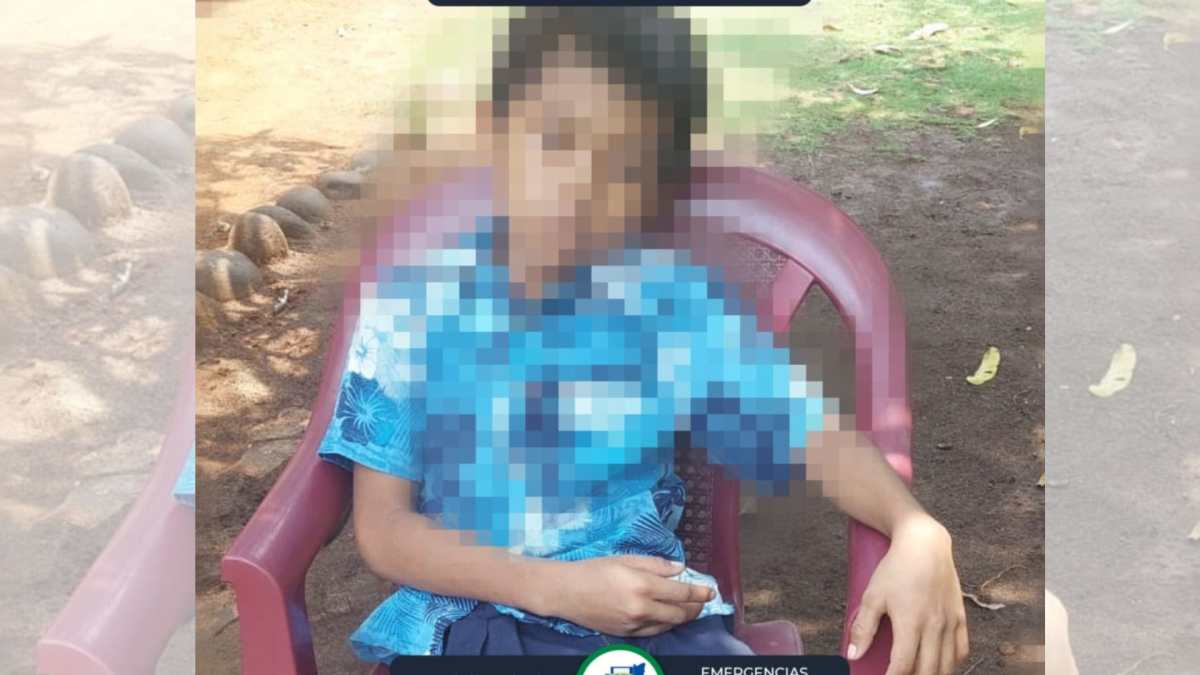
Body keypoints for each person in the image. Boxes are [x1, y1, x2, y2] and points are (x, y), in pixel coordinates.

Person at [317, 8, 968, 675]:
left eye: (623, 165)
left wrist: (914, 525)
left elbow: (811, 434)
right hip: (471, 622)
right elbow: (385, 530)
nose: (580, 184)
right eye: (556, 137)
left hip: (655, 626)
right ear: (493, 129)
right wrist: (553, 588)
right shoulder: (412, 310)